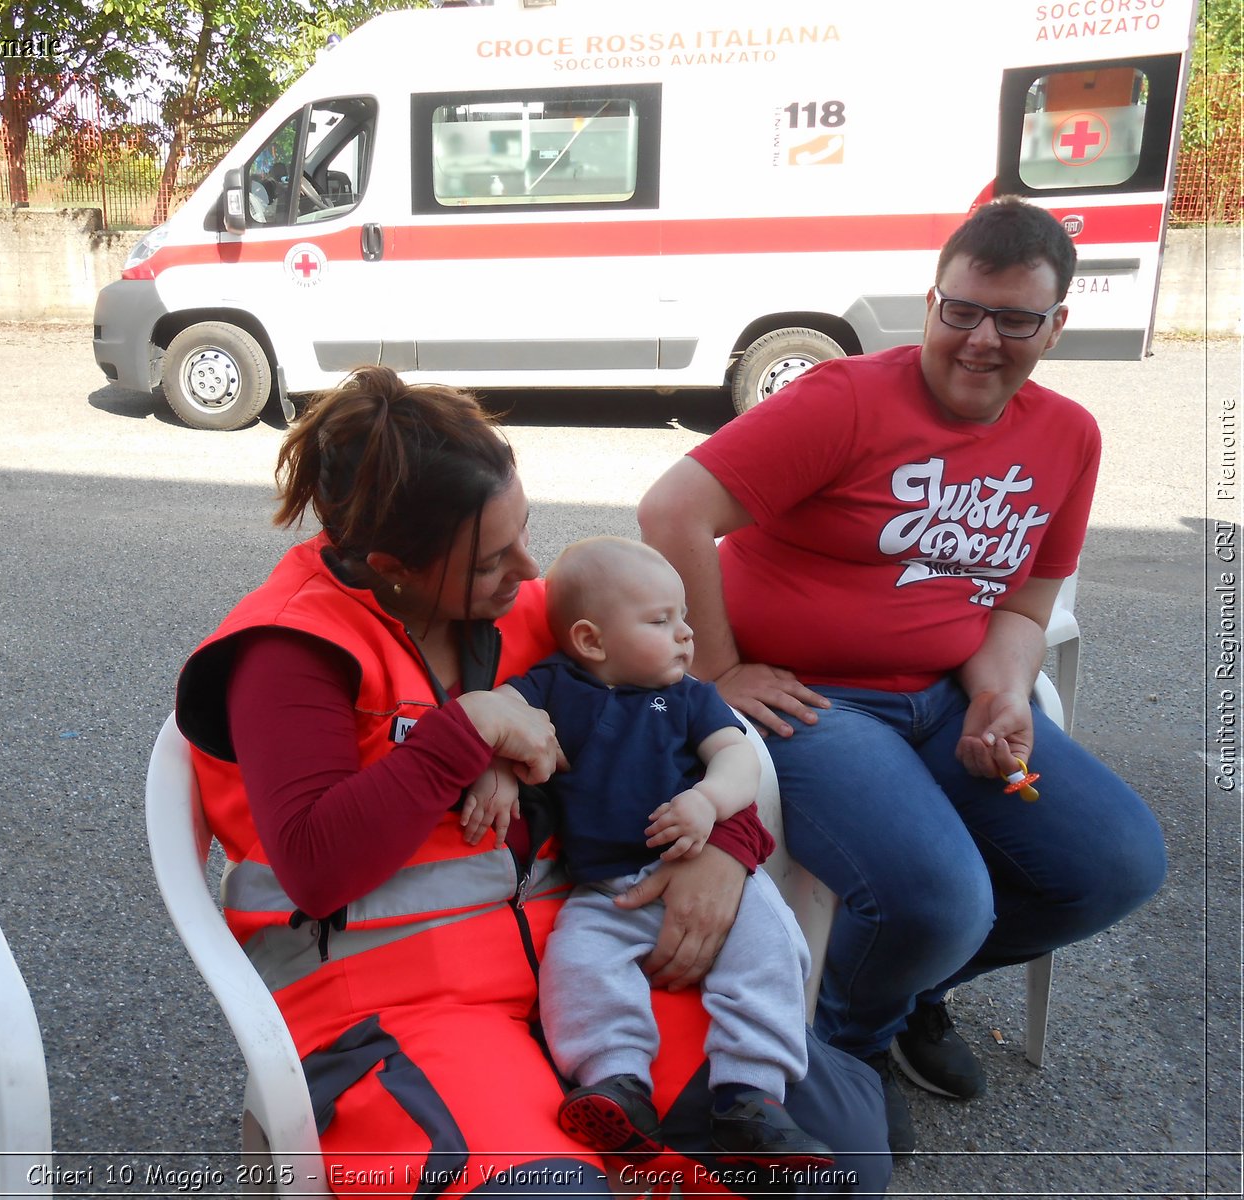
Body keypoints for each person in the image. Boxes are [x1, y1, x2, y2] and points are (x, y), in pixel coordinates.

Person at [175, 365, 890, 1198]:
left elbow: (676, 724)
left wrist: (723, 848)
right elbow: (314, 866)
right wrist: (467, 729)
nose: (526, 567)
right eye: (489, 560)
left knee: (837, 1152)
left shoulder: (529, 611)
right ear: (391, 564)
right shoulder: (287, 651)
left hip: (582, 956)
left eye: (524, 531)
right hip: (394, 1007)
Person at [637, 197, 1167, 1156]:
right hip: (813, 700)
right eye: (961, 311)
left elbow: (1022, 604)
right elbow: (672, 510)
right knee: (939, 899)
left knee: (1116, 866)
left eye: (1013, 320)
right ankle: (846, 1048)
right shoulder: (845, 398)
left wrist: (1005, 690)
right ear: (931, 302)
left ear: (1056, 326)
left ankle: (900, 993)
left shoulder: (1069, 437)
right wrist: (718, 671)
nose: (979, 340)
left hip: (946, 698)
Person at [462, 535, 830, 1169]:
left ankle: (752, 1094)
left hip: (709, 874)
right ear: (591, 641)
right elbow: (499, 714)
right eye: (662, 621)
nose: (686, 636)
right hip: (606, 889)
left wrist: (710, 802)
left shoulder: (690, 698)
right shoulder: (554, 687)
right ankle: (616, 1081)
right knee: (578, 965)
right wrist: (491, 763)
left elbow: (737, 757)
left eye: (683, 617)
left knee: (770, 948)